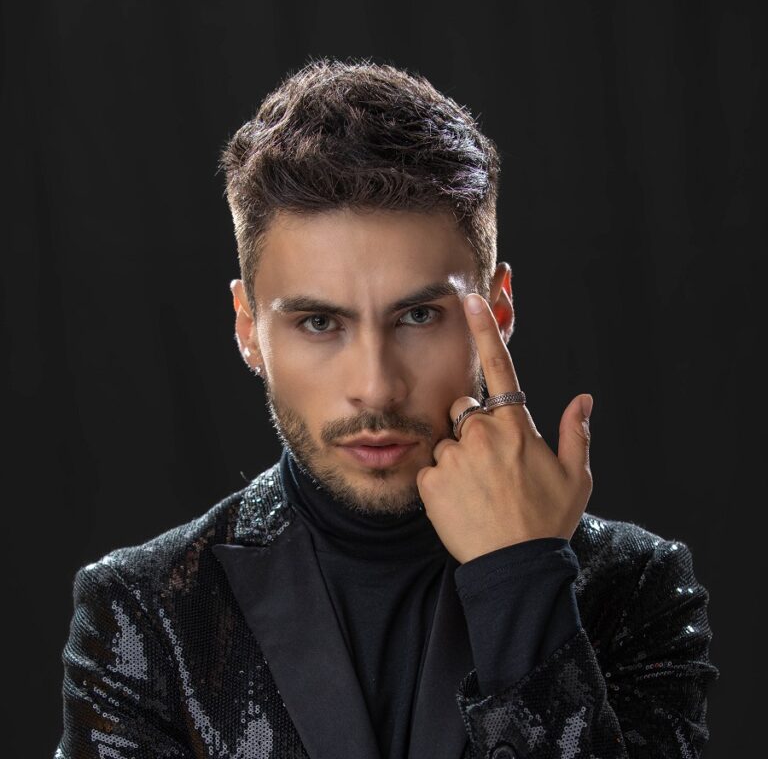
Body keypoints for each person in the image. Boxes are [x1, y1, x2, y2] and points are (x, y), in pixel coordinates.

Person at [55, 58, 718, 759]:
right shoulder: (144, 611)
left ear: (497, 313)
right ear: (248, 327)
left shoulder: (635, 587)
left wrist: (522, 587)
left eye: (418, 316)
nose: (374, 387)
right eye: (319, 322)